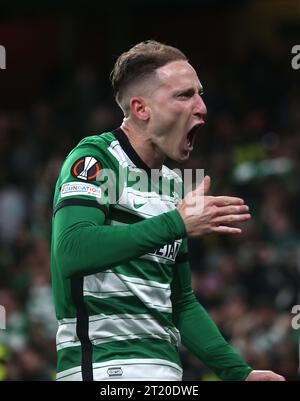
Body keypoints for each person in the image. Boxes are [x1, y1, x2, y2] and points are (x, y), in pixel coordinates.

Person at [51, 40, 285, 381]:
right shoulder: (95, 159)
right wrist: (176, 222)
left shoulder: (174, 186)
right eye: (184, 95)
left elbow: (181, 303)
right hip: (104, 366)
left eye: (200, 94)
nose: (202, 107)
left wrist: (239, 373)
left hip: (166, 371)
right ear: (142, 108)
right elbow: (72, 250)